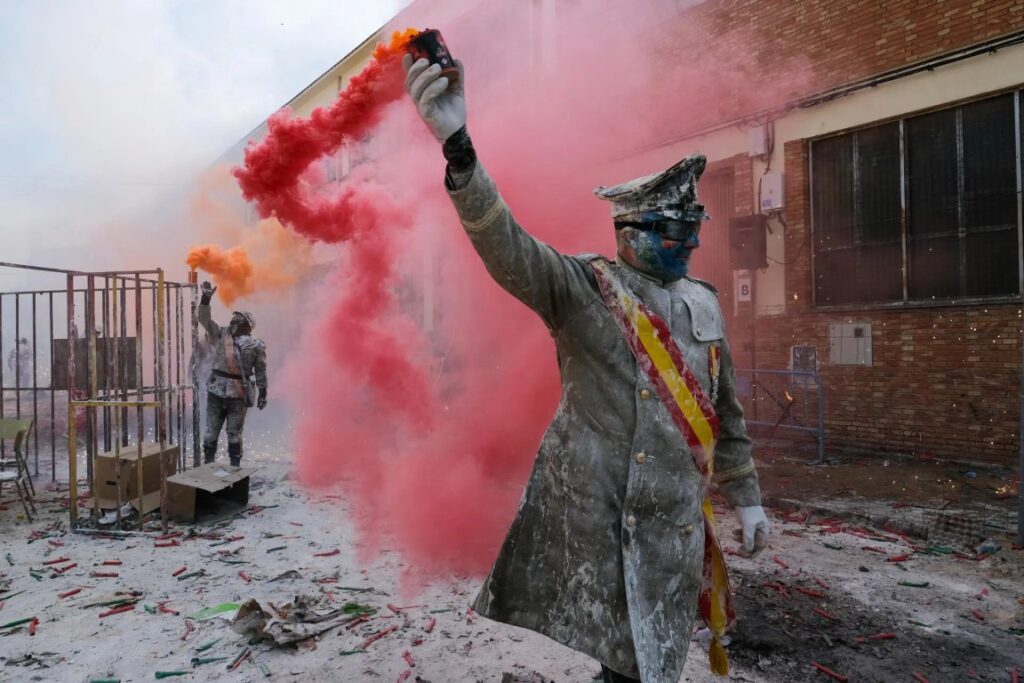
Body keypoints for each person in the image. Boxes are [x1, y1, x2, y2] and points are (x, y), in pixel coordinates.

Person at [402, 54, 771, 683]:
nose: (690, 241)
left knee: (656, 657)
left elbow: (724, 415)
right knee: (627, 660)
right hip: (609, 525)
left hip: (676, 530)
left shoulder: (705, 302)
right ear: (629, 229)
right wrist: (458, 147)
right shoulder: (583, 289)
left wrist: (749, 500)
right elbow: (507, 246)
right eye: (674, 228)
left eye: (694, 227)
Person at [198, 281, 267, 466]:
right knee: (210, 433)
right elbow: (205, 320)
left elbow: (260, 371)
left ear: (246, 325)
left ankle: (235, 469)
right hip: (216, 391)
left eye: (238, 320)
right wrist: (205, 299)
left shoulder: (256, 346)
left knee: (234, 435)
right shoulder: (221, 334)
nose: (233, 322)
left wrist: (263, 393)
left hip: (238, 394)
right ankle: (208, 466)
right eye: (233, 319)